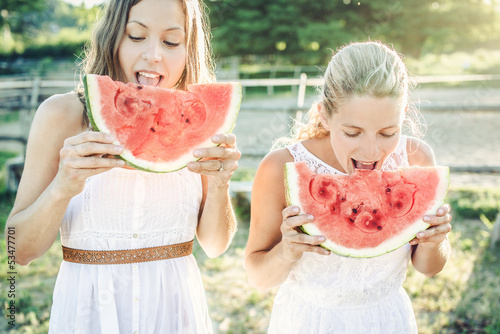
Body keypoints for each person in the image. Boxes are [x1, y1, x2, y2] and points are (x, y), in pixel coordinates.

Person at [5, 0, 240, 333]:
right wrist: (62, 187)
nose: (154, 54)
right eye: (136, 36)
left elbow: (215, 246)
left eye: (171, 42)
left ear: (189, 50)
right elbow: (18, 250)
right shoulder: (61, 116)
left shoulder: (196, 121)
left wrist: (220, 185)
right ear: (112, 37)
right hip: (90, 315)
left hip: (175, 313)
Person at [245, 41, 452, 334]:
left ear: (403, 114)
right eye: (352, 132)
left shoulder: (417, 160)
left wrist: (436, 241)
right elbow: (257, 277)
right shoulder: (281, 168)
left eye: (387, 133)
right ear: (325, 116)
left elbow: (429, 268)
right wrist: (286, 251)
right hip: (308, 323)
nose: (371, 151)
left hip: (386, 320)